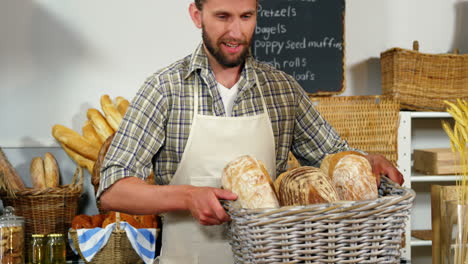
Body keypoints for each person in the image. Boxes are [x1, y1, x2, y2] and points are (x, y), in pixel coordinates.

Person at [96, 0, 404, 263]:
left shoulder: (283, 90)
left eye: (246, 16)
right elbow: (112, 189)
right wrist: (188, 196)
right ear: (196, 15)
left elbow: (333, 156)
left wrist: (365, 161)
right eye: (222, 17)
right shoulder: (164, 89)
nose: (236, 32)